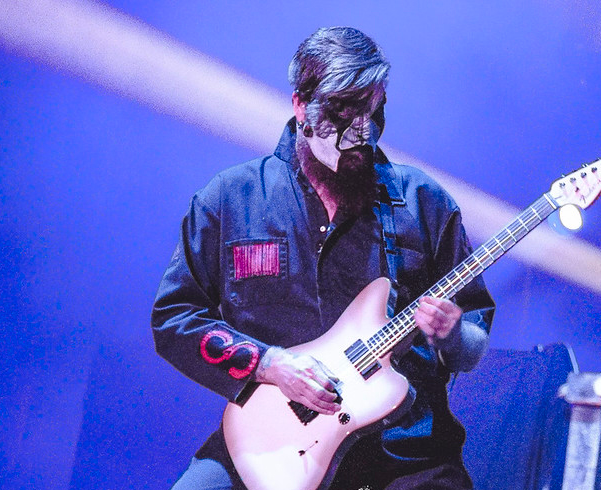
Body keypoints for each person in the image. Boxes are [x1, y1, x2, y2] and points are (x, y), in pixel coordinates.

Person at [152, 26, 495, 490]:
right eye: (343, 110)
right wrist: (268, 364)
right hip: (270, 444)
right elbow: (175, 319)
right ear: (300, 105)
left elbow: (472, 342)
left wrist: (453, 336)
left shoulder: (423, 203)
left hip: (403, 454)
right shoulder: (231, 199)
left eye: (375, 112)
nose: (362, 131)